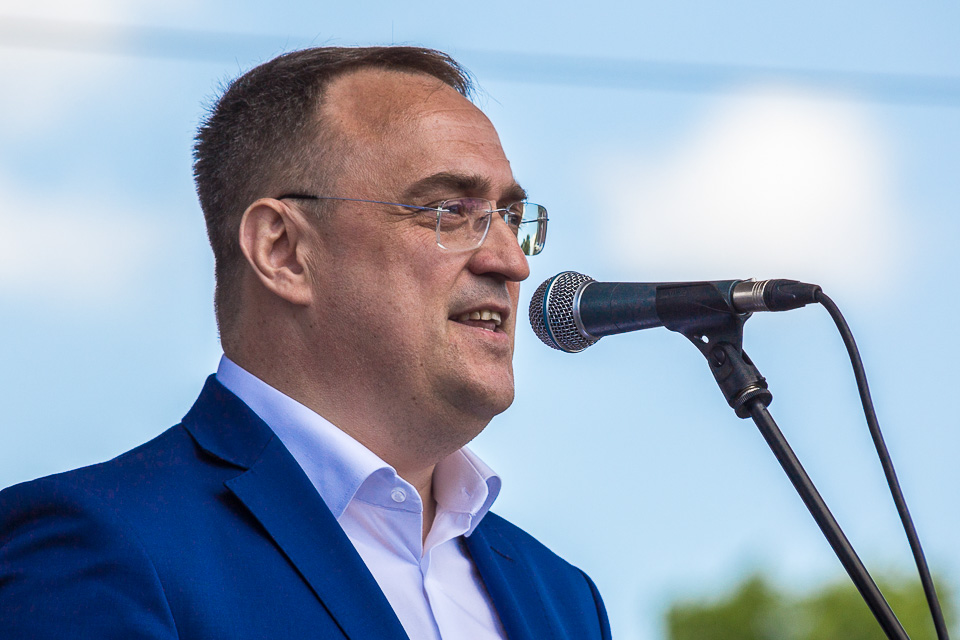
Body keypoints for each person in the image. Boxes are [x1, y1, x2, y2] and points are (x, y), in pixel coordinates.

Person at [0, 46, 610, 639]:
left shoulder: (563, 598)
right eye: (449, 210)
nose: (511, 262)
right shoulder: (95, 544)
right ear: (283, 250)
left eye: (511, 217)